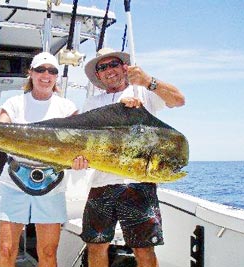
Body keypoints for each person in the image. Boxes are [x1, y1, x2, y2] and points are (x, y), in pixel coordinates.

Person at [0, 52, 78, 267]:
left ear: (57, 77)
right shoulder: (13, 103)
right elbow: (1, 130)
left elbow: (77, 146)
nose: (46, 75)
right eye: (40, 69)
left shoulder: (68, 108)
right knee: (6, 249)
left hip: (53, 183)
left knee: (49, 252)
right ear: (30, 73)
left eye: (52, 71)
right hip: (14, 181)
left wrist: (78, 162)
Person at [72, 47, 185, 267]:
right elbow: (82, 143)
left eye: (113, 64)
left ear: (124, 67)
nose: (109, 70)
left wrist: (148, 81)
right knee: (96, 245)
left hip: (137, 184)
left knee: (143, 248)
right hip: (101, 183)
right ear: (98, 75)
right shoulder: (91, 103)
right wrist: (78, 162)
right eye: (102, 67)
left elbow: (178, 100)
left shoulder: (143, 92)